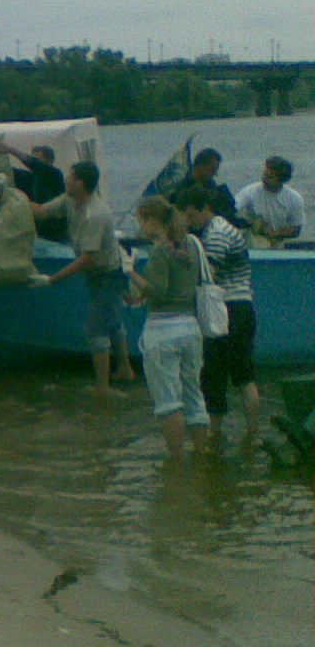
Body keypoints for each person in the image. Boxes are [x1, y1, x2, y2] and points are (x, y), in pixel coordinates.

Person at [31, 161, 137, 395]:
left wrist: (53, 279)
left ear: (81, 183)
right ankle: (125, 369)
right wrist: (12, 197)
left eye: (70, 177)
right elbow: (40, 211)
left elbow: (87, 258)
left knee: (95, 329)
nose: (66, 180)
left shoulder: (95, 213)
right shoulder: (68, 200)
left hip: (108, 273)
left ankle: (102, 387)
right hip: (96, 272)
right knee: (112, 320)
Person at [176, 185, 259, 453]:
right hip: (237, 307)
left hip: (229, 309)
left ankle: (224, 432)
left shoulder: (217, 233)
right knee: (236, 373)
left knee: (222, 372)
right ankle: (247, 434)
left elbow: (207, 273)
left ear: (205, 209)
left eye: (190, 215)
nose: (189, 221)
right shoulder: (216, 229)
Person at [128, 196, 207, 458]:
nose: (141, 228)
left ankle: (177, 462)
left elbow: (158, 292)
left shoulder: (160, 250)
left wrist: (130, 273)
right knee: (194, 395)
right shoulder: (192, 243)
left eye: (141, 221)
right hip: (191, 326)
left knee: (168, 401)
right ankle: (201, 456)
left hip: (163, 329)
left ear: (152, 220)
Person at [0, 141, 68, 241]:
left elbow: (35, 164)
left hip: (57, 230)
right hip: (39, 231)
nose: (32, 164)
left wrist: (11, 150)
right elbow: (9, 171)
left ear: (49, 162)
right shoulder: (30, 177)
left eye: (37, 159)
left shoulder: (55, 174)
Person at [236, 155, 304, 248]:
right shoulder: (250, 192)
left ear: (281, 180)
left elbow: (296, 229)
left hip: (279, 243)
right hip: (252, 240)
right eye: (265, 174)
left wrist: (275, 234)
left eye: (270, 176)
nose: (265, 178)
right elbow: (234, 208)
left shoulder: (294, 199)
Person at [170, 148, 239, 224]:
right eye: (212, 169)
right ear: (200, 166)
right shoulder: (183, 187)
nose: (214, 174)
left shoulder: (212, 186)